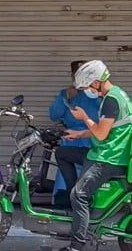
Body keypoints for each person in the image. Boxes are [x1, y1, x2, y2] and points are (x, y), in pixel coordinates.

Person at [60, 60, 132, 251]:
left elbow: (100, 133)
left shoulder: (111, 100)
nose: (86, 91)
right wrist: (79, 134)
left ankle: (77, 245)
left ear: (96, 82)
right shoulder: (115, 94)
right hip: (100, 152)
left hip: (109, 158)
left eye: (86, 86)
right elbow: (106, 128)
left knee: (79, 195)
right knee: (62, 153)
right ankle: (76, 206)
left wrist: (83, 117)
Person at [49, 60, 100, 207]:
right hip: (72, 142)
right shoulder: (67, 93)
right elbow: (54, 115)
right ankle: (66, 202)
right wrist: (65, 97)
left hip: (94, 141)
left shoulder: (99, 94)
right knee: (65, 185)